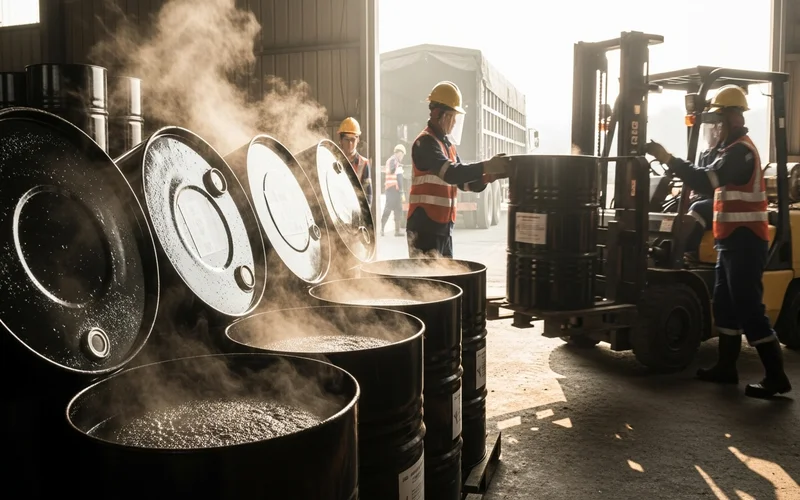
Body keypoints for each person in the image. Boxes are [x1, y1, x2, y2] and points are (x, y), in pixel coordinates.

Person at [645, 85, 792, 399]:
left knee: (749, 308)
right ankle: (726, 368)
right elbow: (706, 180)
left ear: (734, 118)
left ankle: (776, 376)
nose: (715, 127)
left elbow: (704, 180)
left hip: (747, 243)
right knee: (724, 305)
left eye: (718, 120)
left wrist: (668, 158)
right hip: (730, 242)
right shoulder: (727, 151)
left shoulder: (741, 152)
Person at [407, 81, 510, 258]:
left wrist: (487, 177)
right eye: (453, 117)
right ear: (439, 114)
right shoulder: (425, 143)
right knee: (428, 282)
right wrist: (486, 165)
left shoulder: (447, 145)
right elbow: (451, 174)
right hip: (424, 230)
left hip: (443, 228)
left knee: (445, 283)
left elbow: (463, 183)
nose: (454, 123)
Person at [338, 117, 373, 206]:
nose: (350, 144)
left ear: (358, 140)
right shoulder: (333, 161)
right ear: (341, 140)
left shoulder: (364, 163)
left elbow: (368, 197)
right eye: (346, 139)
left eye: (353, 140)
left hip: (355, 213)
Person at [381, 144, 406, 236]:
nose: (402, 157)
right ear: (399, 153)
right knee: (388, 208)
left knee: (398, 209)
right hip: (392, 189)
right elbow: (395, 173)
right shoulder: (393, 160)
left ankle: (397, 231)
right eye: (402, 155)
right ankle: (382, 229)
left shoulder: (393, 161)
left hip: (394, 189)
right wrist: (402, 191)